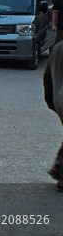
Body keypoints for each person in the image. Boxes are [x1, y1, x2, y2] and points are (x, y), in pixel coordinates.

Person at [44, 41, 63, 191]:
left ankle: (58, 167)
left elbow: (47, 78)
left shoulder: (58, 47)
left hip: (59, 100)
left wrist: (51, 102)